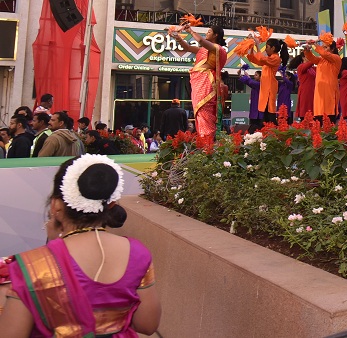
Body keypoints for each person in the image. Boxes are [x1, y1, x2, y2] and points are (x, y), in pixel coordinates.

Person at [0, 154, 161, 336]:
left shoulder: (33, 266)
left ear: (56, 206)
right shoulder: (137, 254)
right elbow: (148, 325)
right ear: (111, 204)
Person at [170, 24, 228, 138]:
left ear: (216, 35)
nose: (207, 33)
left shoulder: (217, 49)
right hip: (200, 81)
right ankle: (204, 140)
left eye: (209, 32)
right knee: (200, 113)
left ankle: (207, 142)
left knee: (204, 110)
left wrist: (190, 31)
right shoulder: (204, 50)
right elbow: (187, 48)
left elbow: (200, 41)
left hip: (206, 83)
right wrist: (177, 37)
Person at [245, 38, 285, 124]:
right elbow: (255, 59)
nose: (266, 49)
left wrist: (257, 46)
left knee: (270, 115)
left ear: (273, 48)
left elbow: (262, 59)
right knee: (266, 115)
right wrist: (252, 46)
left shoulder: (276, 58)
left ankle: (273, 130)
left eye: (267, 47)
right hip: (265, 89)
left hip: (269, 89)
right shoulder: (268, 59)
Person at [309, 39, 342, 123]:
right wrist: (307, 50)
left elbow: (324, 54)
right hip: (320, 92)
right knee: (319, 116)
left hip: (330, 90)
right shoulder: (321, 59)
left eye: (325, 47)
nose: (323, 49)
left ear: (332, 49)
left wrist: (315, 45)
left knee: (329, 117)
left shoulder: (336, 58)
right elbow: (312, 59)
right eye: (323, 47)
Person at [288, 51, 317, 124]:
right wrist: (316, 58)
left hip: (312, 91)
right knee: (305, 111)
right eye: (309, 56)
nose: (311, 57)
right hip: (305, 92)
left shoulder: (312, 69)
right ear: (303, 57)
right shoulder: (301, 67)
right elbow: (312, 62)